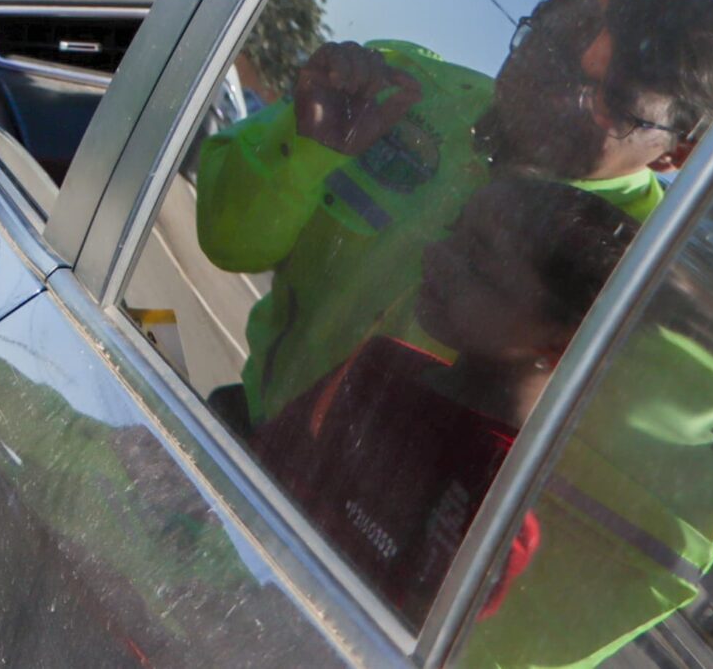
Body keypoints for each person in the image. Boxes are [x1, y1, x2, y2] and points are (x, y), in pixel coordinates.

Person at [194, 0, 713, 426]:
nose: (556, 91)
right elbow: (226, 241)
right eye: (548, 45)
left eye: (612, 99)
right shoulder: (395, 92)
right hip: (245, 433)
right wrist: (309, 152)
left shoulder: (643, 281)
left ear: (678, 154)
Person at [253, 175, 638, 625]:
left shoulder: (503, 504)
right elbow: (262, 470)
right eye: (454, 232)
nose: (434, 254)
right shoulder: (381, 365)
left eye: (476, 261)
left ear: (565, 340)